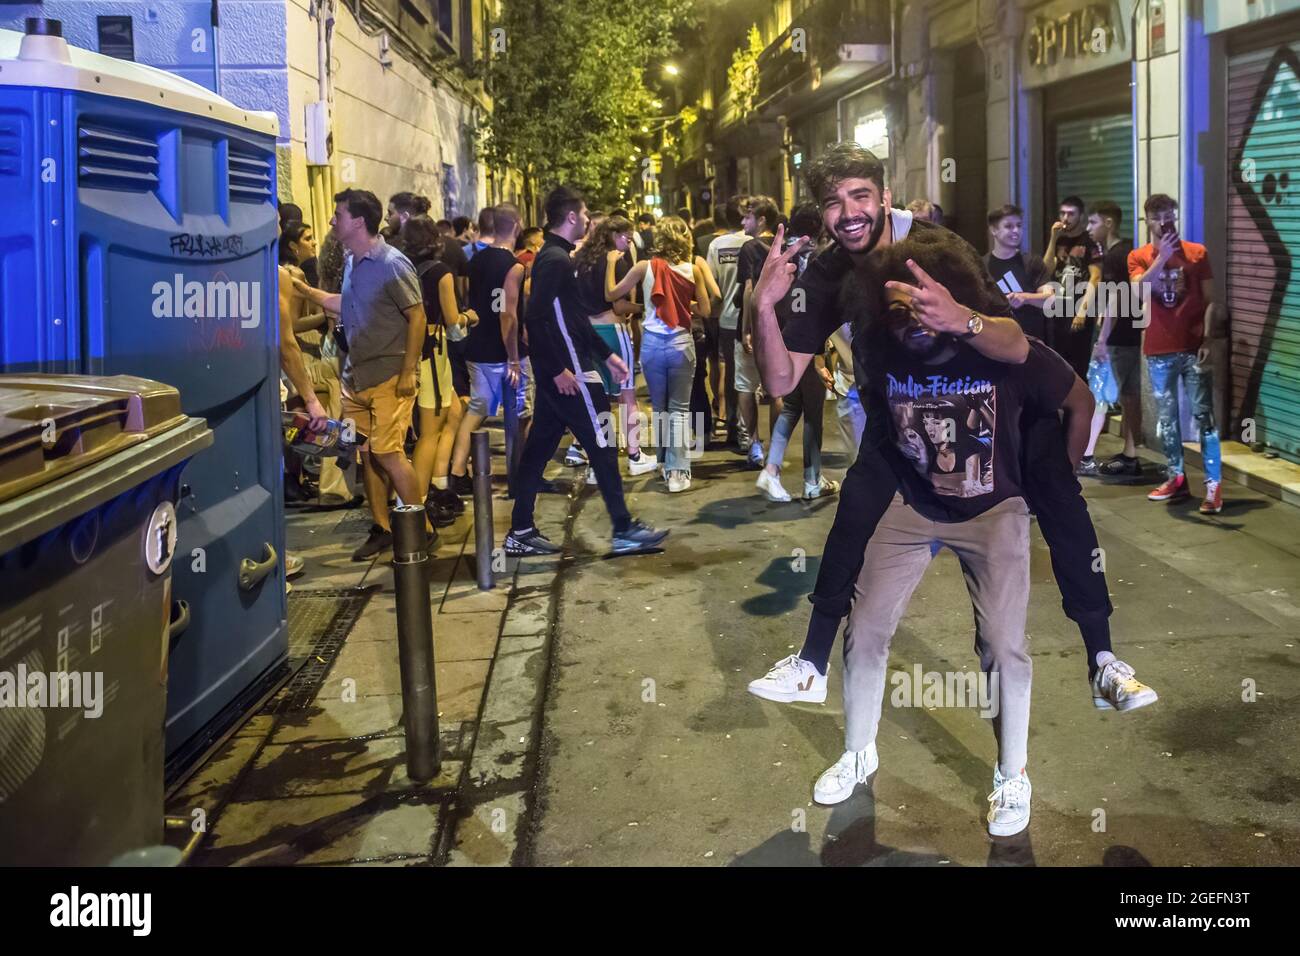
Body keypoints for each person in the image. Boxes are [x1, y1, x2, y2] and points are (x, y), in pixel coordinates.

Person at [746, 142, 1156, 718]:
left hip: (992, 405)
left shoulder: (934, 248)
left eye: (860, 195)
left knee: (1061, 500)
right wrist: (762, 307)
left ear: (884, 196)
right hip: (905, 413)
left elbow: (1012, 346)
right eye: (833, 202)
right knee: (856, 507)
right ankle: (812, 663)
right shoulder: (829, 271)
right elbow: (783, 380)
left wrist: (956, 318)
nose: (849, 212)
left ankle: (1104, 661)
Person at [806, 230, 1096, 836]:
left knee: (1002, 644)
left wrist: (1054, 483)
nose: (911, 318)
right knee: (865, 628)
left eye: (923, 304)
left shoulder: (996, 346)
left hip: (994, 510)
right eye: (896, 309)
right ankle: (859, 751)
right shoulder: (888, 353)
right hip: (911, 507)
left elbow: (1079, 399)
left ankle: (1011, 774)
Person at [503, 185, 668, 557]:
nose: (591, 219)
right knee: (604, 445)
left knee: (539, 450)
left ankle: (521, 529)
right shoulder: (555, 260)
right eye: (586, 213)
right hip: (569, 374)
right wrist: (558, 369)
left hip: (567, 370)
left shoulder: (557, 257)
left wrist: (605, 355)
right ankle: (623, 529)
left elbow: (574, 317)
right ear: (572, 217)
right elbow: (536, 317)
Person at [294, 188, 433, 560]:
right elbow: (348, 305)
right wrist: (306, 290)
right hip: (356, 378)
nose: (331, 221)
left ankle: (421, 527)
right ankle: (383, 527)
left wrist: (408, 372)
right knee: (366, 454)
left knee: (388, 452)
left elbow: (417, 315)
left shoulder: (392, 263)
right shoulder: (354, 261)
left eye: (337, 214)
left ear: (357, 221)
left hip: (390, 376)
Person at [606, 215, 717, 493]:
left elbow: (611, 294)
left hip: (653, 345)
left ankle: (665, 461)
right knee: (679, 409)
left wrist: (610, 264)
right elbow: (705, 310)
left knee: (660, 408)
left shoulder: (644, 267)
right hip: (681, 342)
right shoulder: (693, 269)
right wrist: (681, 306)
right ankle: (678, 472)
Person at [1129, 194, 1223, 513]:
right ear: (1148, 221)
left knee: (1203, 416)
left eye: (1170, 215)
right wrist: (1161, 258)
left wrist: (1209, 340)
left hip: (1193, 347)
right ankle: (1176, 477)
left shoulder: (1198, 253)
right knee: (1167, 419)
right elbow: (1138, 290)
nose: (1164, 221)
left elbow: (1211, 300)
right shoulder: (1138, 256)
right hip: (1158, 349)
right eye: (1157, 217)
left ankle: (1213, 486)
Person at [755, 201, 838, 501]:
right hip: (808, 344)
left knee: (791, 406)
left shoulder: (778, 253)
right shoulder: (819, 257)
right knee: (813, 414)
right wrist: (819, 357)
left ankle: (772, 470)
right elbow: (815, 310)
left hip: (781, 338)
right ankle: (811, 480)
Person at [448, 203, 526, 496]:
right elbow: (509, 313)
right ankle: (517, 474)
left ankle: (457, 469)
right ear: (517, 225)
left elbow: (473, 300)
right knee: (516, 412)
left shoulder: (477, 261)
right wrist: (515, 357)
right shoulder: (513, 266)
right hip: (500, 349)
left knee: (478, 408)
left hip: (477, 343)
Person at [574, 214, 657, 478]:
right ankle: (634, 455)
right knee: (627, 395)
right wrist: (645, 308)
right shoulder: (615, 262)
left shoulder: (580, 260)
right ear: (613, 235)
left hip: (586, 333)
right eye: (626, 237)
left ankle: (594, 465)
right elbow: (619, 304)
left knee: (595, 400)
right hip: (612, 331)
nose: (628, 241)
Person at [399, 215, 468, 527]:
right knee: (429, 433)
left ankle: (439, 484)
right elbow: (453, 325)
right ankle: (418, 505)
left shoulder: (400, 269)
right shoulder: (441, 273)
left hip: (407, 353)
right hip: (432, 353)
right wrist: (470, 317)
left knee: (453, 414)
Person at [280, 221, 351, 505]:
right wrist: (325, 315)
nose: (312, 243)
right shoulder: (292, 274)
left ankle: (327, 481)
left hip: (312, 354)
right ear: (292, 245)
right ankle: (331, 481)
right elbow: (291, 329)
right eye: (306, 238)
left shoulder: (304, 273)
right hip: (306, 356)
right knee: (337, 399)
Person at [1076, 201, 1142, 479]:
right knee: (1129, 396)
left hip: (1117, 337)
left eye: (1093, 222)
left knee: (1099, 396)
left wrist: (1102, 340)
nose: (1089, 228)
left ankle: (1087, 456)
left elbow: (1115, 300)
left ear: (1109, 223)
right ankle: (1130, 455)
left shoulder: (1116, 256)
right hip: (1132, 334)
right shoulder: (1128, 250)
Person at [734, 195, 781, 469]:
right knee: (776, 391)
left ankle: (754, 443)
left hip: (755, 324)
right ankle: (775, 446)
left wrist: (746, 329)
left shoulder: (750, 248)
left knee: (746, 385)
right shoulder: (782, 245)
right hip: (778, 326)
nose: (743, 222)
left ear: (761, 219)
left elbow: (749, 289)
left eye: (747, 217)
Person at [706, 196, 750, 447]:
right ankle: (745, 430)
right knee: (748, 379)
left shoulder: (716, 246)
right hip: (749, 321)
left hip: (725, 320)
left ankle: (733, 425)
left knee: (732, 374)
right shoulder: (752, 243)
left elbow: (713, 288)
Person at [1043, 195, 1100, 374]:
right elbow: (1046, 269)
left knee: (1079, 363)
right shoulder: (1059, 241)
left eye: (1071, 214)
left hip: (1080, 307)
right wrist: (1053, 239)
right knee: (1059, 362)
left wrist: (1082, 312)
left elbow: (1096, 277)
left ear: (1081, 216)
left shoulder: (1089, 241)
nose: (1065, 218)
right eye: (1062, 213)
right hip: (1058, 308)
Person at [984, 204, 1055, 340]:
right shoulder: (982, 265)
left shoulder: (1032, 262)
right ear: (994, 230)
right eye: (1009, 226)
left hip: (1030, 342)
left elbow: (1050, 299)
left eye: (1019, 225)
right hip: (994, 341)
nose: (1016, 230)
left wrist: (1025, 298)